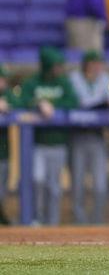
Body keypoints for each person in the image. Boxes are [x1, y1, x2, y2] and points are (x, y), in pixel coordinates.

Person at [20, 47, 78, 225]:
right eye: (56, 65)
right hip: (37, 144)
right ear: (47, 65)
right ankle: (35, 218)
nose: (59, 69)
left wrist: (52, 105)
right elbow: (22, 101)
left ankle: (52, 222)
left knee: (54, 186)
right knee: (37, 181)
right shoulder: (32, 83)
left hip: (59, 142)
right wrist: (39, 103)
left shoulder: (64, 83)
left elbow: (73, 102)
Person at [69, 50, 109, 224]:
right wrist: (106, 102)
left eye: (100, 63)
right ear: (87, 64)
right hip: (78, 135)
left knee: (100, 185)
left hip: (98, 136)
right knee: (78, 185)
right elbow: (84, 102)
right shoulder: (74, 78)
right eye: (95, 63)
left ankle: (97, 224)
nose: (99, 67)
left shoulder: (105, 77)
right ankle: (80, 224)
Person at [0, 65, 17, 225]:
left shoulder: (7, 95)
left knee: (2, 191)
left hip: (3, 153)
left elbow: (19, 103)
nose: (3, 82)